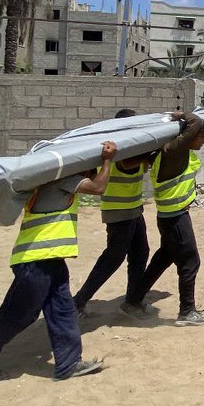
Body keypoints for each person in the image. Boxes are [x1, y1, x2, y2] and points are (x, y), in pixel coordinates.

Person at [0, 141, 117, 382]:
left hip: (50, 258)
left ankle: (68, 364)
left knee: (63, 312)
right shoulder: (62, 180)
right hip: (35, 261)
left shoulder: (51, 181)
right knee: (16, 315)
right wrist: (108, 159)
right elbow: (99, 188)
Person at [121, 110, 204, 327]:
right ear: (191, 135)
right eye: (202, 137)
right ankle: (187, 311)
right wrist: (182, 114)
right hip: (175, 217)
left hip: (170, 216)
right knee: (190, 262)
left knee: (164, 257)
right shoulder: (174, 152)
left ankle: (133, 300)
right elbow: (196, 121)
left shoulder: (174, 154)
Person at [72, 109, 153, 319]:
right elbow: (127, 165)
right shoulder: (114, 148)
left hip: (134, 208)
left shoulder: (132, 147)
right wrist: (154, 150)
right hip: (118, 210)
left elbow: (141, 167)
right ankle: (78, 302)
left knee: (140, 253)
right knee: (113, 257)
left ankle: (132, 300)